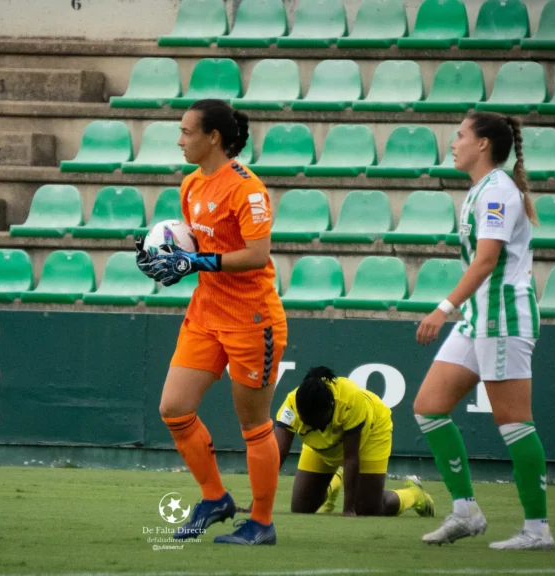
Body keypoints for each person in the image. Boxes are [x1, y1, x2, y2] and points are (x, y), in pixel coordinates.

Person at [135, 99, 286, 546]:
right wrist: (165, 261)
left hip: (251, 319)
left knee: (254, 425)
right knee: (174, 408)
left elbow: (256, 256)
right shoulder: (190, 184)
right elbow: (192, 247)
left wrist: (197, 260)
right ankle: (216, 498)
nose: (180, 140)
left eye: (186, 132)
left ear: (213, 137)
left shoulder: (247, 189)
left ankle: (261, 522)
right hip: (205, 314)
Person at [413, 112, 552, 550]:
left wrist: (443, 308)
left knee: (515, 423)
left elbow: (487, 260)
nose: (453, 143)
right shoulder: (482, 190)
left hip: (503, 319)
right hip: (480, 319)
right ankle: (466, 512)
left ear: (484, 145)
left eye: (460, 136)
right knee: (428, 407)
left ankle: (537, 530)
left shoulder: (497, 194)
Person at [238, 366, 433, 518]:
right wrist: (254, 505)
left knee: (369, 509)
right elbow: (276, 457)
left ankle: (415, 494)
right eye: (309, 423)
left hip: (371, 435)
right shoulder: (291, 408)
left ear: (330, 407)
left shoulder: (350, 401)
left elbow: (350, 457)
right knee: (301, 508)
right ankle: (336, 480)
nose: (317, 427)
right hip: (321, 448)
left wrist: (348, 509)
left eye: (319, 422)